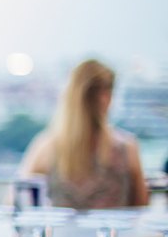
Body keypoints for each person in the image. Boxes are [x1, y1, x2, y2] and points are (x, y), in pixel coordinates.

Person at [18, 58, 149, 209]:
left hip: (60, 233)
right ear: (106, 96)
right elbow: (141, 209)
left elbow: (17, 203)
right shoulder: (126, 148)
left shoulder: (46, 147)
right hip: (116, 233)